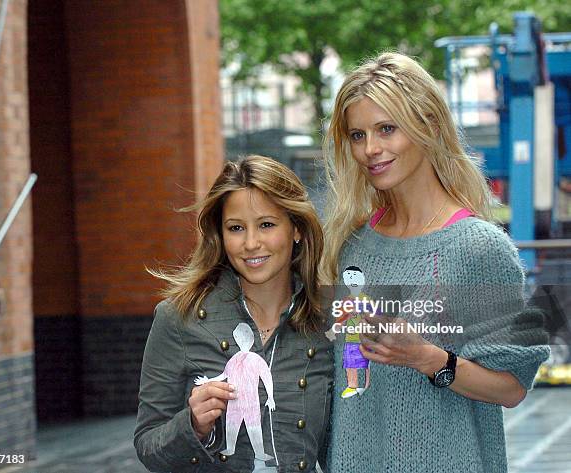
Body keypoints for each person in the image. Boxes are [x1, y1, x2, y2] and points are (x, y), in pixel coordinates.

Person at [321, 52, 550, 472]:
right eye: (357, 135)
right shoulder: (350, 246)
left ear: (427, 125)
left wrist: (428, 358)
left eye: (386, 129)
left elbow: (512, 388)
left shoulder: (477, 247)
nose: (371, 149)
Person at [134, 155, 332, 473]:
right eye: (236, 228)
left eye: (266, 224)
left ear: (296, 229)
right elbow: (148, 446)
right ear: (220, 235)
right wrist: (193, 426)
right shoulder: (177, 317)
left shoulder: (327, 320)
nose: (251, 243)